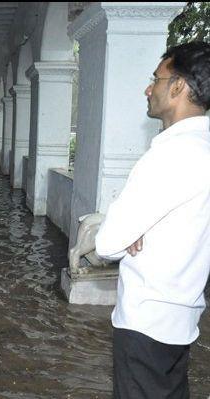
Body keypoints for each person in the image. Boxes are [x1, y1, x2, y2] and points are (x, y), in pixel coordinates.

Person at [95, 42, 210, 398]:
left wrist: (134, 229)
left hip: (146, 324)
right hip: (182, 320)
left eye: (155, 79)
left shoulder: (170, 155)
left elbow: (107, 242)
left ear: (178, 87)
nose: (148, 89)